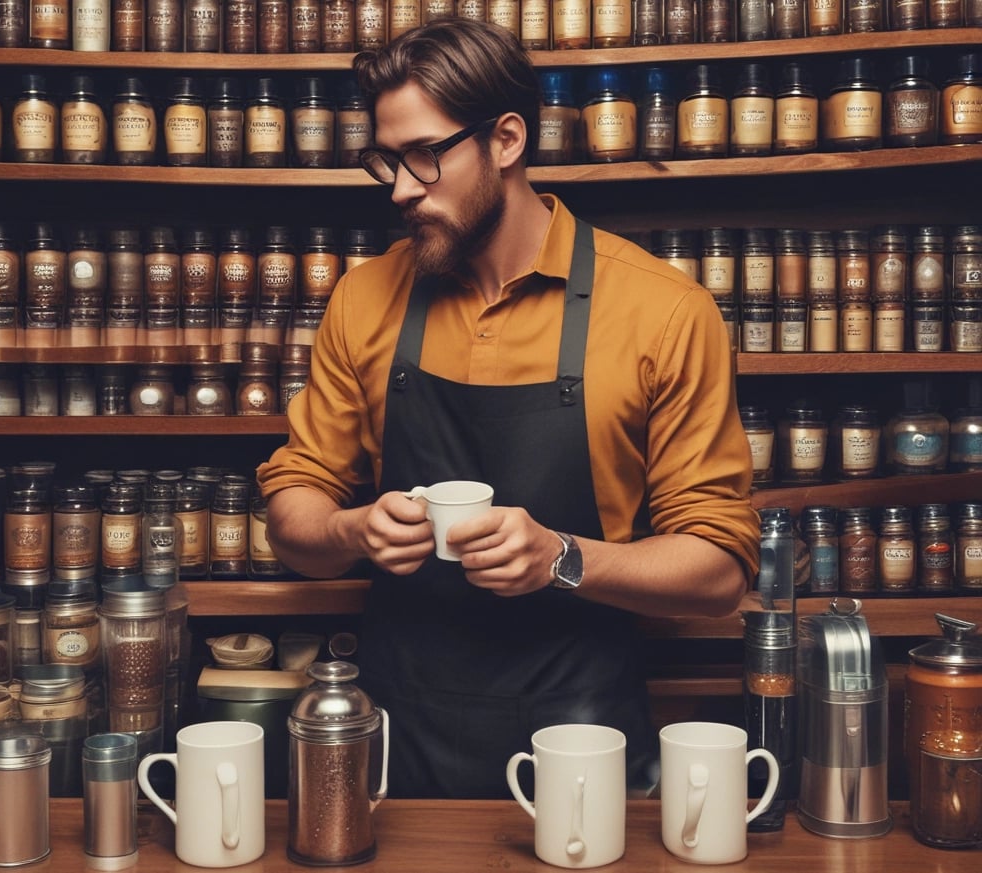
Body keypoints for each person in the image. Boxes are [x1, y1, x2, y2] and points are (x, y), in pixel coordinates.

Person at [257, 19, 760, 799]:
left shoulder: (663, 310)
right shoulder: (365, 297)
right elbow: (293, 512)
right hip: (400, 731)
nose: (400, 189)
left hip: (582, 739)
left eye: (425, 156)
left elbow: (719, 569)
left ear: (507, 139)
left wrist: (561, 556)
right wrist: (348, 528)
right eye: (385, 162)